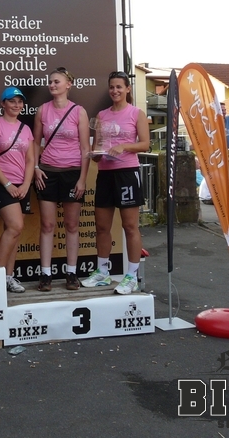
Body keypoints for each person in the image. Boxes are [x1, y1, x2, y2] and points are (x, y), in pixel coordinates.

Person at [81, 71, 149, 295]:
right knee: (101, 226)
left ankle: (132, 276)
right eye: (112, 87)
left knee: (130, 226)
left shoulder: (136, 113)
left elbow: (145, 144)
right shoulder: (102, 115)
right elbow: (99, 145)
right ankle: (102, 272)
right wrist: (96, 154)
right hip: (105, 174)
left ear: (127, 89)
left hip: (127, 173)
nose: (115, 91)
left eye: (119, 87)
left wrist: (124, 146)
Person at [33, 69, 89, 292]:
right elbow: (35, 143)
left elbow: (85, 148)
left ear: (68, 84)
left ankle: (71, 273)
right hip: (47, 172)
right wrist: (36, 168)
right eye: (50, 82)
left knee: (71, 225)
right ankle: (45, 274)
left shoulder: (79, 111)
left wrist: (82, 179)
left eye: (57, 81)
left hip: (72, 172)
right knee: (47, 225)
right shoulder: (42, 110)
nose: (52, 85)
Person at [0, 87, 35, 293]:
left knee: (15, 231)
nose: (16, 105)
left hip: (22, 185)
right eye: (12, 101)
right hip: (0, 183)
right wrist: (7, 184)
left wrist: (25, 184)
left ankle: (8, 276)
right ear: (3, 104)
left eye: (19, 101)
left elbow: (30, 159)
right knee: (15, 226)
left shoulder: (26, 129)